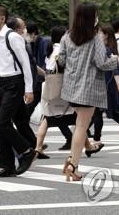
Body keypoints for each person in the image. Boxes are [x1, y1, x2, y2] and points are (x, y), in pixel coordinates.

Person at [59, 2, 118, 181]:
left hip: (70, 88)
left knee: (80, 124)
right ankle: (73, 165)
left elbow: (61, 60)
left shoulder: (66, 37)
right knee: (81, 127)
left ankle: (76, 157)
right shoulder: (95, 40)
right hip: (89, 88)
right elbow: (102, 63)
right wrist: (114, 59)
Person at [0, 6, 37, 178]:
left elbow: (25, 64)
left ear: (2, 19)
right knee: (0, 128)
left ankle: (26, 151)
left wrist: (29, 89)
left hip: (14, 82)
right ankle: (7, 165)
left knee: (2, 123)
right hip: (0, 83)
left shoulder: (13, 37)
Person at [35, 26, 76, 158]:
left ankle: (38, 147)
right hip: (61, 86)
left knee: (48, 118)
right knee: (77, 117)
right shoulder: (61, 50)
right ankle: (85, 146)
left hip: (49, 85)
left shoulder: (50, 49)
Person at [93, 25, 119, 147]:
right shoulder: (105, 49)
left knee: (101, 112)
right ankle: (95, 139)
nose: (97, 35)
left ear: (105, 35)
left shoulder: (107, 50)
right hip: (104, 83)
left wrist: (118, 84)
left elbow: (114, 68)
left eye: (99, 33)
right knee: (105, 112)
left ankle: (95, 140)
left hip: (106, 84)